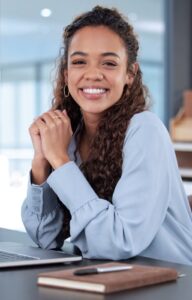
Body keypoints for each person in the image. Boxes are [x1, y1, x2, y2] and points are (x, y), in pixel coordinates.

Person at [21, 6, 192, 265]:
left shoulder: (145, 130)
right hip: (107, 277)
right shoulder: (70, 135)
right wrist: (42, 161)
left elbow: (117, 243)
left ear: (129, 75)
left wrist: (61, 162)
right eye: (79, 62)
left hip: (169, 283)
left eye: (109, 63)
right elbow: (45, 237)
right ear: (67, 75)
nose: (93, 74)